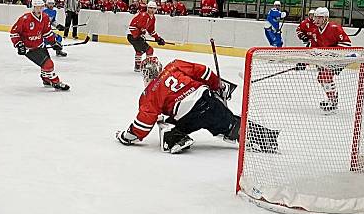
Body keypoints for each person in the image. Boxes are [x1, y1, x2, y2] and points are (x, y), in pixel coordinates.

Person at [115, 57, 279, 154]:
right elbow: (203, 72)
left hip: (188, 117)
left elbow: (143, 123)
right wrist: (218, 86)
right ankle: (267, 138)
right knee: (231, 125)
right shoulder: (174, 66)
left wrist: (126, 136)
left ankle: (176, 139)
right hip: (207, 101)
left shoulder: (149, 93)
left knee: (166, 127)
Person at [10, 0, 69, 90]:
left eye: (40, 7)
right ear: (33, 7)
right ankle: (56, 82)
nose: (39, 9)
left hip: (41, 45)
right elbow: (14, 32)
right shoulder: (25, 18)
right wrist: (19, 44)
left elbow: (47, 32)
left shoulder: (45, 17)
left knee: (45, 65)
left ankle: (46, 80)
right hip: (29, 49)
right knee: (49, 64)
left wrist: (53, 42)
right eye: (37, 7)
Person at [307, 7, 352, 112]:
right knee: (321, 78)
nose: (316, 20)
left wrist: (329, 54)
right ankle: (332, 98)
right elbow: (313, 49)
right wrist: (304, 62)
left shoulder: (334, 28)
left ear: (326, 18)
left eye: (319, 18)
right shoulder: (315, 31)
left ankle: (333, 101)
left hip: (340, 58)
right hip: (327, 59)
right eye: (315, 17)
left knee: (325, 76)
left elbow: (346, 44)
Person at [127, 1, 165, 72]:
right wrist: (138, 35)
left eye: (154, 8)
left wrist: (158, 38)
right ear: (147, 8)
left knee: (139, 51)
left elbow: (151, 31)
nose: (152, 10)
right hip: (132, 36)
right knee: (149, 50)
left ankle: (137, 66)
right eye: (150, 8)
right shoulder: (143, 15)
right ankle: (148, 67)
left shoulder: (152, 18)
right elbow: (132, 27)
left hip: (135, 36)